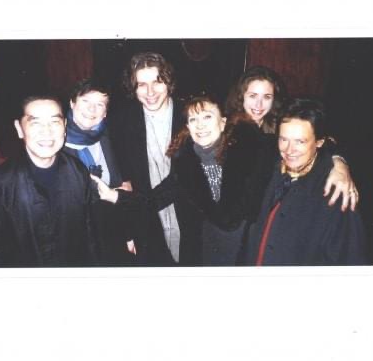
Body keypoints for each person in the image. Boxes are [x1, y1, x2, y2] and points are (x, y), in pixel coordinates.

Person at [96, 94, 273, 265]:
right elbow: (153, 200)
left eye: (207, 117)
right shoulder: (186, 167)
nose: (200, 125)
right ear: (188, 127)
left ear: (222, 123)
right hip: (209, 251)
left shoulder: (248, 157)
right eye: (193, 119)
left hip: (248, 248)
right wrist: (116, 196)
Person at [243, 98, 366, 265]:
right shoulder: (270, 168)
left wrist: (339, 162)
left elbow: (349, 263)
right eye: (283, 139)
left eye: (300, 142)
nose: (289, 150)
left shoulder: (337, 194)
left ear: (319, 142)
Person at [0, 95, 99, 267]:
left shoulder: (78, 171)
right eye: (36, 123)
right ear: (19, 128)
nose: (47, 132)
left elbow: (89, 235)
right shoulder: (1, 182)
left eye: (54, 122)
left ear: (65, 126)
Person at [225, 65, 359, 212]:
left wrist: (340, 164)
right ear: (241, 96)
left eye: (267, 97)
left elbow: (324, 140)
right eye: (253, 96)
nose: (259, 104)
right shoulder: (231, 131)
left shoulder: (279, 124)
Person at [110, 52, 186, 265]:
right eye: (142, 84)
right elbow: (124, 182)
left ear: (168, 82)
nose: (150, 92)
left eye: (157, 82)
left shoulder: (190, 116)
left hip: (189, 220)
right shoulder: (121, 122)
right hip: (148, 226)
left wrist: (141, 204)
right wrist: (129, 230)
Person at [62, 79, 132, 265]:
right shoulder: (55, 144)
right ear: (72, 103)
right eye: (85, 101)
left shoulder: (109, 137)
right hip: (77, 241)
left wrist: (129, 234)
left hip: (113, 232)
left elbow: (123, 188)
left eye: (100, 104)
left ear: (105, 112)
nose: (91, 109)